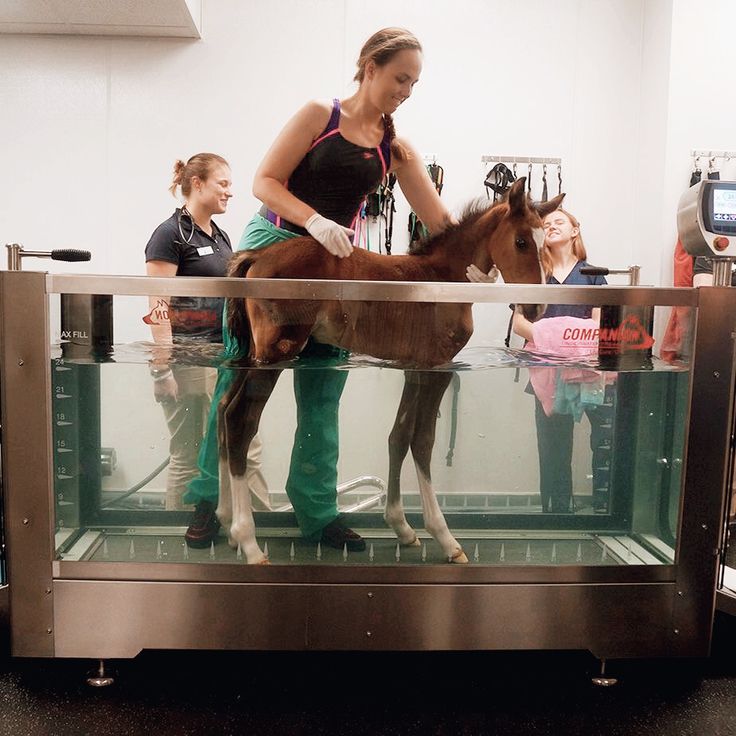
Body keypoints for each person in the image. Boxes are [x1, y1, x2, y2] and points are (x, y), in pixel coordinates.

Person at [184, 28, 454, 552]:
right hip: (275, 247)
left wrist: (480, 259)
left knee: (325, 385)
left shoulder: (394, 148)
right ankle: (207, 498)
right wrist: (313, 221)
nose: (407, 90)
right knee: (241, 376)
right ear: (369, 67)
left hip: (334, 266)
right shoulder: (320, 117)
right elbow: (265, 181)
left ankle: (317, 510)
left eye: (414, 84)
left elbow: (441, 222)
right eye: (401, 78)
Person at [145, 153, 270, 530]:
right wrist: (162, 369)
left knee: (245, 445)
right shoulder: (170, 235)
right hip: (188, 358)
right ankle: (180, 534)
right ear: (196, 183)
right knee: (187, 451)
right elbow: (158, 304)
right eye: (224, 184)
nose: (230, 192)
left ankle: (262, 527)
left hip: (224, 355)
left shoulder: (219, 235)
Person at [510, 208, 611, 514]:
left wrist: (567, 343)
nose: (551, 226)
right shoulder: (535, 275)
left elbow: (601, 323)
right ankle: (557, 512)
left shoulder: (594, 276)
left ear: (575, 230)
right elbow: (518, 323)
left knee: (605, 441)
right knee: (553, 448)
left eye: (559, 222)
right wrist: (559, 341)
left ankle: (603, 509)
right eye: (546, 224)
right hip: (548, 373)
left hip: (588, 373)